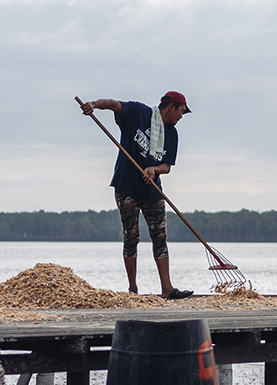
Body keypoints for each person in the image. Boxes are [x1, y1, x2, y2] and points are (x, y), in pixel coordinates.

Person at [79, 91, 193, 299]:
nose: (181, 117)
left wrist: (153, 170)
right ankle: (132, 289)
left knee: (160, 239)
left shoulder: (172, 134)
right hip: (126, 188)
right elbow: (113, 104)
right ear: (171, 107)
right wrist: (94, 104)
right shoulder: (139, 112)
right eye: (181, 112)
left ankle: (167, 289)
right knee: (131, 238)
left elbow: (166, 166)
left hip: (153, 192)